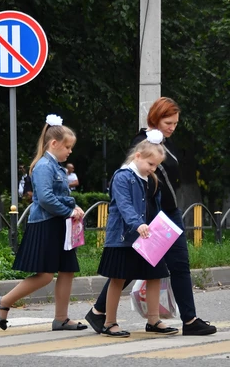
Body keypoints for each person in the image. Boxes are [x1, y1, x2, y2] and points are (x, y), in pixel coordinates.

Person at [86, 97, 217, 336]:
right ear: (155, 118)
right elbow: (130, 195)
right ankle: (101, 313)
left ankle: (187, 320)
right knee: (125, 269)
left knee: (171, 266)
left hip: (165, 215)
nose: (172, 127)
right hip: (146, 219)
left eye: (176, 123)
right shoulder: (142, 145)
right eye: (168, 122)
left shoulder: (167, 143)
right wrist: (139, 221)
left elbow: (161, 184)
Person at [0, 114, 87, 332]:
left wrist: (74, 207)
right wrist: (68, 211)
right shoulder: (44, 166)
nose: (70, 151)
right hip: (46, 224)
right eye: (67, 147)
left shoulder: (56, 166)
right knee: (45, 275)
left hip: (59, 224)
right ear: (54, 143)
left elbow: (58, 195)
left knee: (67, 270)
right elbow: (44, 198)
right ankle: (4, 301)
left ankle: (61, 318)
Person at [95, 134, 177, 337]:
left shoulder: (151, 178)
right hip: (124, 237)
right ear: (138, 156)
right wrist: (137, 223)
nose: (153, 169)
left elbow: (154, 206)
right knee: (118, 278)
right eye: (150, 163)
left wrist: (160, 227)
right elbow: (124, 205)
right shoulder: (122, 176)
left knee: (155, 276)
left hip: (148, 236)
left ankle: (153, 320)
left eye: (156, 165)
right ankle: (109, 322)